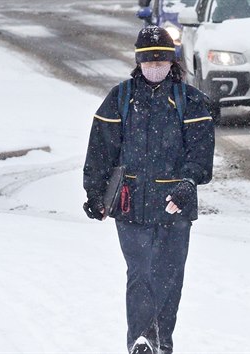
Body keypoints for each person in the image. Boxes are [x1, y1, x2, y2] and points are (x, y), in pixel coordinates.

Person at [82, 26, 215, 354]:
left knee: (168, 279)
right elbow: (101, 150)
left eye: (161, 61)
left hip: (175, 208)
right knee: (141, 272)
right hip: (130, 207)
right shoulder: (121, 98)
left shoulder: (190, 101)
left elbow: (200, 154)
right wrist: (94, 193)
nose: (155, 67)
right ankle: (141, 340)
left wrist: (187, 184)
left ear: (172, 62)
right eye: (148, 61)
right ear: (138, 62)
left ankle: (161, 342)